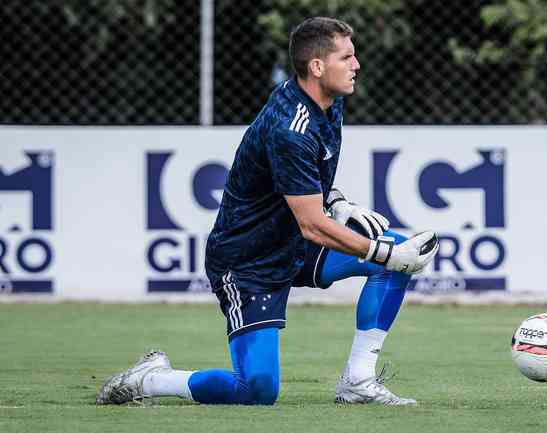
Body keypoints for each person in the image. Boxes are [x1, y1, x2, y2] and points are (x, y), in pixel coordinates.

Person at [97, 16, 438, 407]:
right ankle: (152, 379)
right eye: (346, 57)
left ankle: (357, 381)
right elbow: (312, 225)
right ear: (316, 66)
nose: (356, 65)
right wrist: (385, 253)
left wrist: (338, 201)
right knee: (256, 390)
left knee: (395, 256)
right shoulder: (290, 128)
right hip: (248, 263)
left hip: (290, 242)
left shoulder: (328, 102)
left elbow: (309, 184)